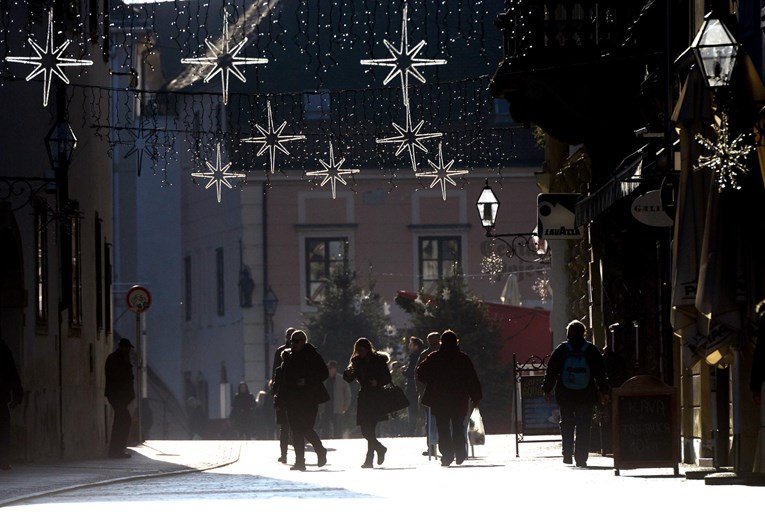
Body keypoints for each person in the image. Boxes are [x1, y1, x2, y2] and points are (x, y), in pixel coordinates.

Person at [542, 319, 610, 468]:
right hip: (586, 395)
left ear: (568, 334)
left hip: (565, 395)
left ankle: (567, 452)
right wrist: (604, 391)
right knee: (584, 425)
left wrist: (547, 389)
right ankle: (581, 457)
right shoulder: (591, 350)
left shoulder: (562, 350)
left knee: (566, 423)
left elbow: (551, 370)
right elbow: (600, 372)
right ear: (583, 333)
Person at [417, 330, 482, 467]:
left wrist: (430, 382)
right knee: (458, 425)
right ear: (456, 341)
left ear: (441, 342)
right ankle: (460, 452)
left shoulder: (434, 357)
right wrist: (476, 396)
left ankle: (447, 455)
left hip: (439, 398)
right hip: (459, 398)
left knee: (443, 427)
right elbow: (472, 378)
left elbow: (420, 372)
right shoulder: (463, 358)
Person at [279, 329, 329, 471]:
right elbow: (283, 379)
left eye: (296, 341)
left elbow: (324, 373)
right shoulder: (288, 357)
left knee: (306, 428)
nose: (293, 344)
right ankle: (300, 461)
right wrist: (280, 399)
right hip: (292, 399)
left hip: (309, 398)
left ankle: (320, 449)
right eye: (291, 342)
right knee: (296, 430)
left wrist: (307, 381)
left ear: (303, 341)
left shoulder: (313, 355)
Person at [343, 337, 392, 468]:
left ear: (367, 349)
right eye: (357, 350)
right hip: (364, 397)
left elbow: (388, 377)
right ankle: (380, 449)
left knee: (370, 428)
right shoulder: (356, 361)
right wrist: (347, 373)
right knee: (365, 430)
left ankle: (369, 459)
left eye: (362, 350)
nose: (360, 352)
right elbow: (349, 379)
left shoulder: (378, 360)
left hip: (376, 397)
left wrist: (378, 382)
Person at [105, 338, 136, 458]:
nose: (128, 351)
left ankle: (117, 450)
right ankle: (116, 450)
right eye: (127, 348)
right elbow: (119, 378)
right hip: (117, 395)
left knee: (122, 420)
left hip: (119, 396)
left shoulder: (120, 359)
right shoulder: (116, 359)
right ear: (123, 347)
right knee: (124, 420)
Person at [272, 327, 295, 463]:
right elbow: (275, 373)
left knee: (287, 427)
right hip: (284, 394)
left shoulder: (299, 352)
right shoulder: (280, 352)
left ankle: (289, 454)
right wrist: (275, 391)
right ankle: (284, 454)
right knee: (285, 427)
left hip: (290, 394)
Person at [416, 331, 440, 456]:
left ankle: (438, 444)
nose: (433, 345)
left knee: (434, 420)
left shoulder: (439, 354)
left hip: (438, 393)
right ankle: (431, 446)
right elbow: (418, 374)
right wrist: (420, 391)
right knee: (430, 420)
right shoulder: (425, 354)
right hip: (429, 392)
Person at [0, 338, 23, 470]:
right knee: (3, 430)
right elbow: (12, 373)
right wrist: (17, 394)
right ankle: (3, 461)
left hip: (1, 397)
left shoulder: (4, 349)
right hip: (1, 397)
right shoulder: (4, 349)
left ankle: (3, 460)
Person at [319, 360, 352, 439]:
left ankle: (338, 444)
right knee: (325, 429)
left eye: (332, 368)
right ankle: (325, 444)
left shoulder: (341, 379)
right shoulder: (324, 380)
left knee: (338, 429)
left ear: (335, 369)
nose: (330, 370)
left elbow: (348, 394)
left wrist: (346, 406)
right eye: (329, 368)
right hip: (325, 408)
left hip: (337, 408)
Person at [403, 336, 424, 435]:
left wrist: (404, 372)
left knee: (412, 410)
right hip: (420, 387)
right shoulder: (421, 356)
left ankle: (411, 431)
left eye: (411, 344)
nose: (409, 346)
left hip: (412, 387)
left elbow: (411, 373)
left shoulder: (414, 356)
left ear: (416, 346)